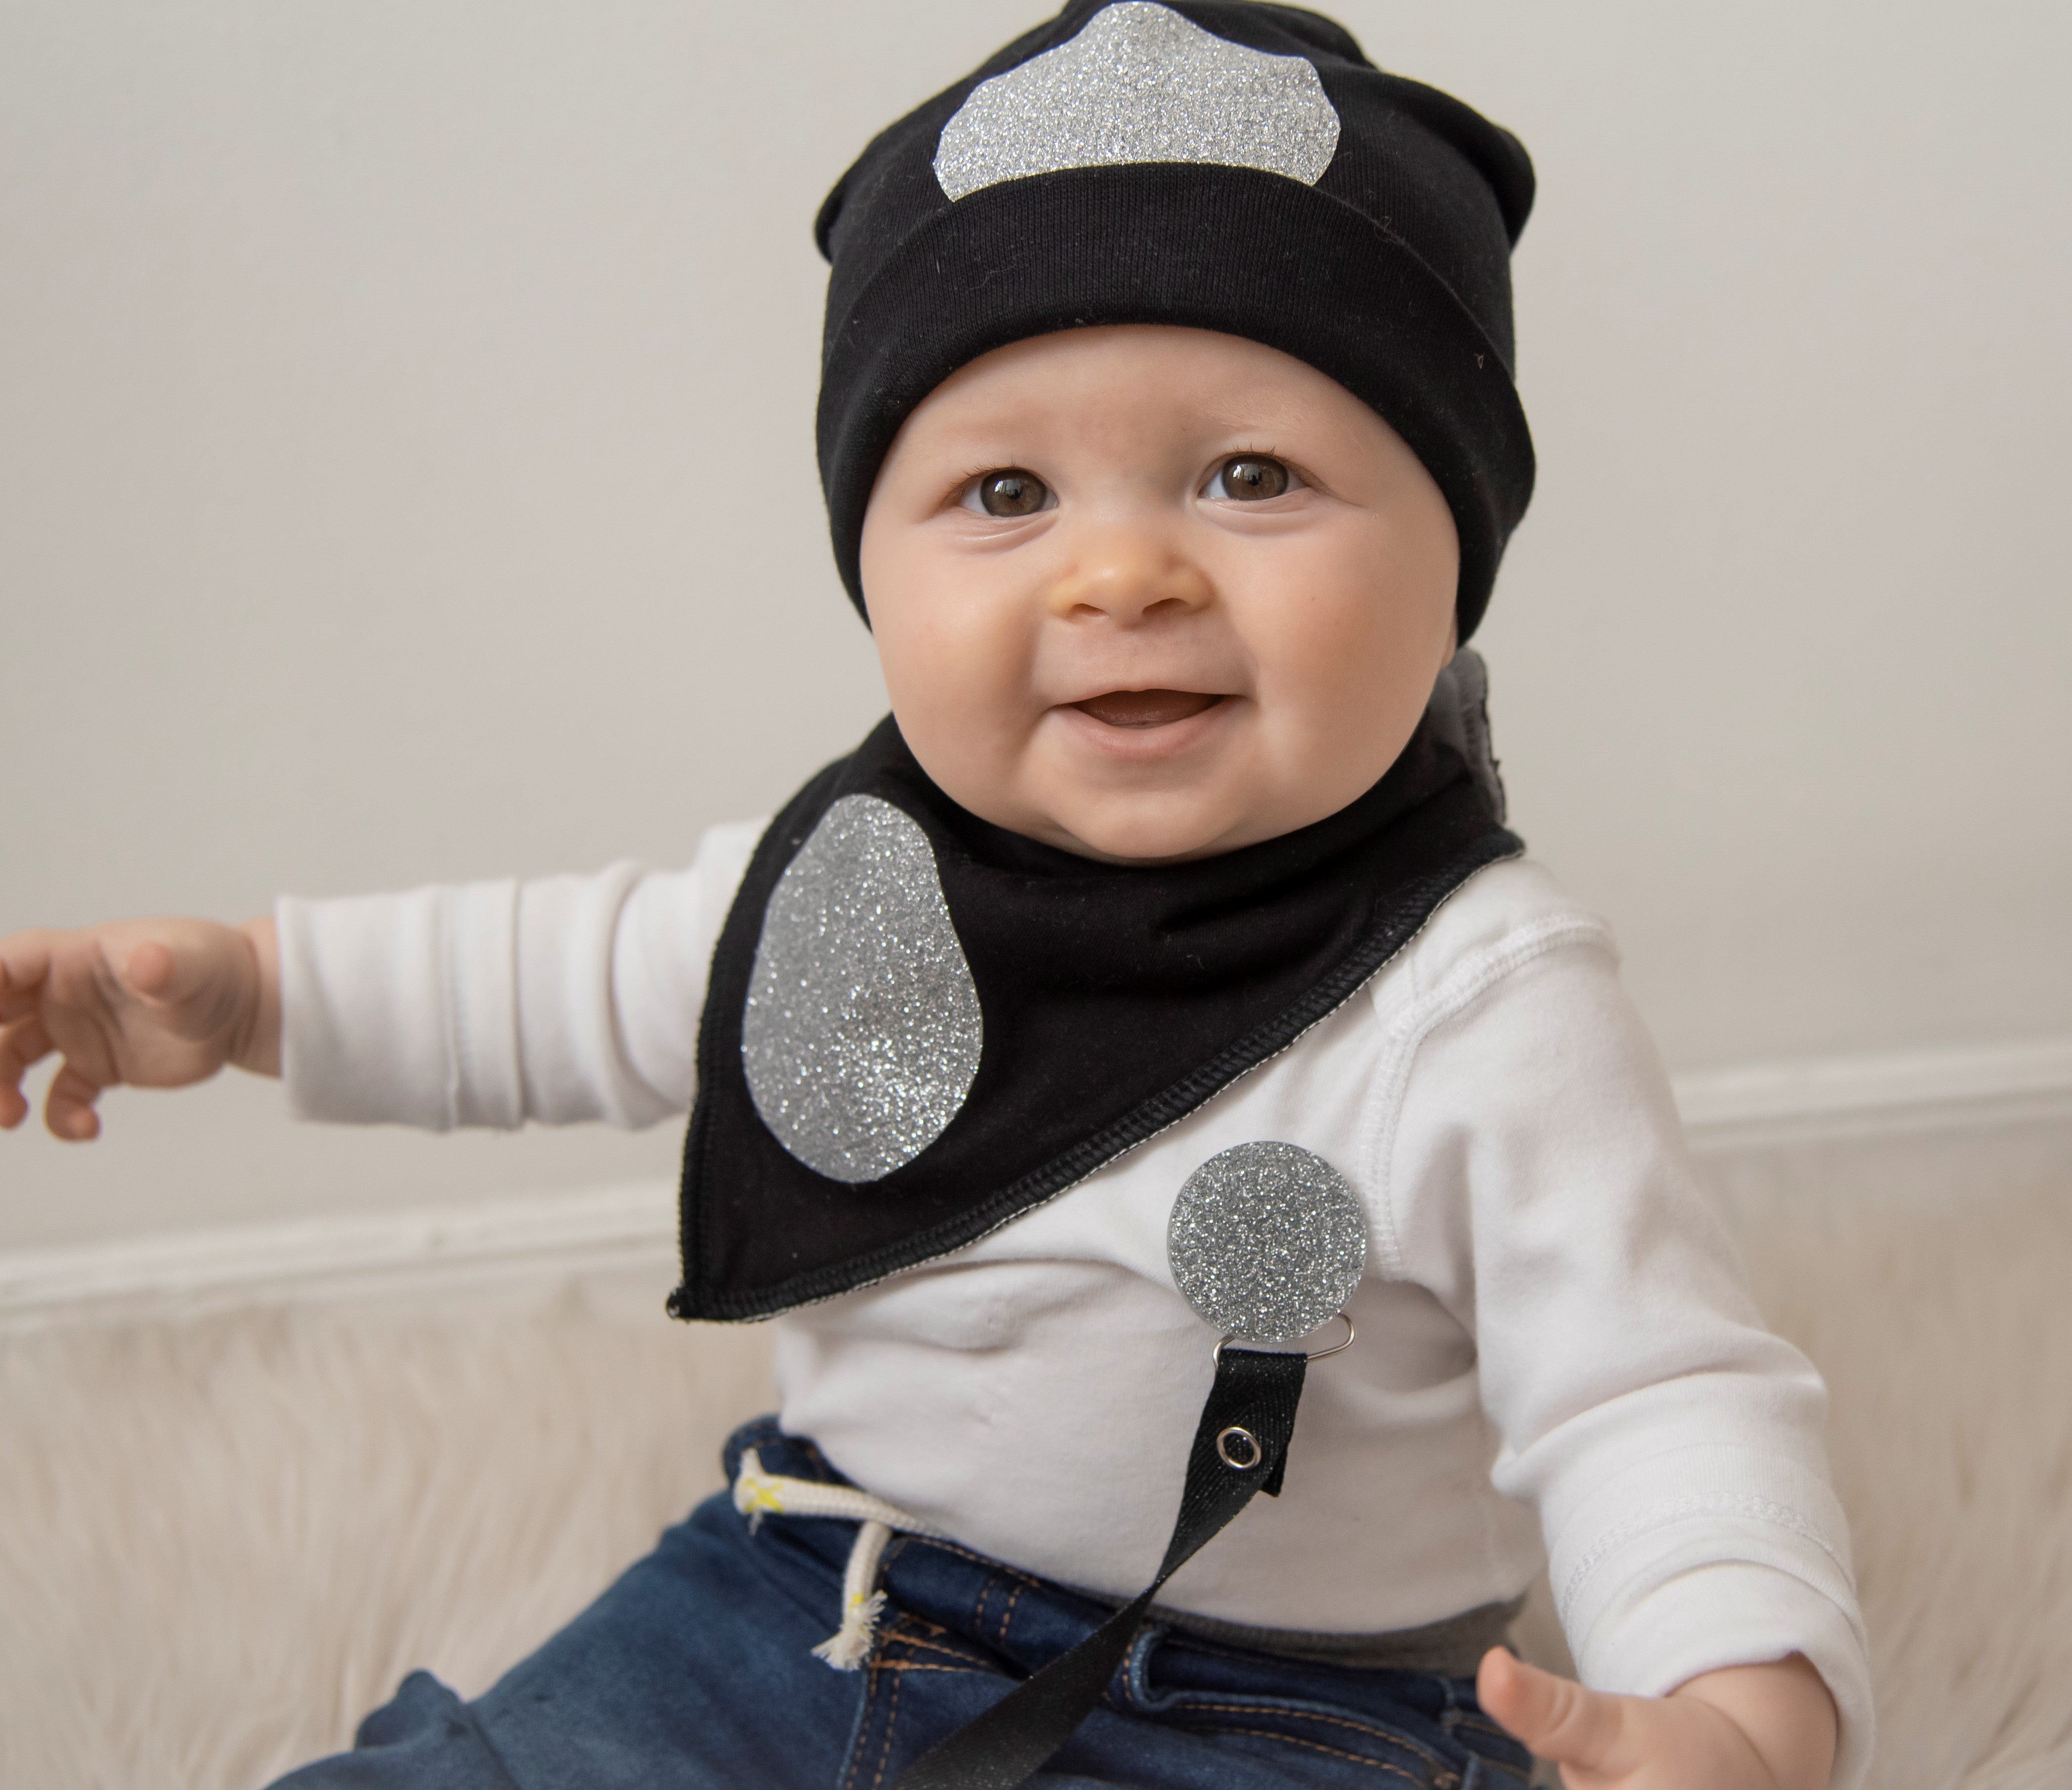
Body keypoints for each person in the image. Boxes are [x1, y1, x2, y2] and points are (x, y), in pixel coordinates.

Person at [0, 4, 1871, 1787]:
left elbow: (1654, 1397)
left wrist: (1737, 1701)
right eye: (1000, 494)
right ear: (869, 566)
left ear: (1453, 555)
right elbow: (555, 980)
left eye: (1249, 475)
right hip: (805, 1592)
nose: (1119, 571)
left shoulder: (1477, 1000)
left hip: (1279, 1709)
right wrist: (247, 998)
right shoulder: (859, 890)